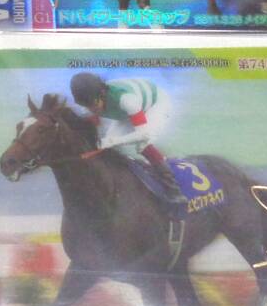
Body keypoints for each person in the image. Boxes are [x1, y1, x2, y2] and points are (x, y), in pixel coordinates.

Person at [69, 71, 186, 207]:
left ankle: (174, 190)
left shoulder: (126, 100)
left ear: (102, 94)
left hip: (154, 105)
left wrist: (113, 141)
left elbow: (143, 134)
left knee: (142, 145)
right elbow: (93, 128)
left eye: (93, 104)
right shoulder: (91, 101)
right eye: (86, 105)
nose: (91, 109)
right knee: (106, 145)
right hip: (128, 111)